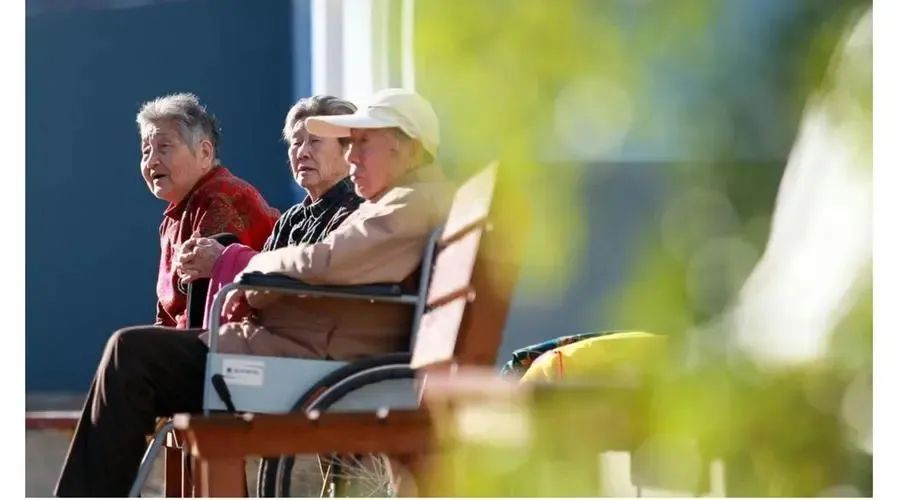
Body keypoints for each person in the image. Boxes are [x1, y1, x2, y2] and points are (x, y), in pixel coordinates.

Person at [55, 88, 453, 497]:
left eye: (363, 143)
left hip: (303, 360)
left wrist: (250, 265)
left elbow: (326, 261)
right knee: (131, 353)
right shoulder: (395, 202)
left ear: (409, 148)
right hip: (293, 348)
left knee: (131, 354)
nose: (353, 157)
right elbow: (327, 264)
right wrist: (256, 272)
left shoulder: (407, 204)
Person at [175, 95, 365, 323]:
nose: (302, 153)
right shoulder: (293, 217)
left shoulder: (356, 211)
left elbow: (308, 284)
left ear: (348, 150)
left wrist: (224, 261)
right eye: (296, 143)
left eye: (315, 141)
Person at [136, 92, 280, 328]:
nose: (151, 161)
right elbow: (166, 315)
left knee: (125, 342)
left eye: (164, 147)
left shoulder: (221, 196)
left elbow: (209, 304)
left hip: (237, 333)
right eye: (145, 151)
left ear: (205, 153)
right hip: (194, 332)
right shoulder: (172, 219)